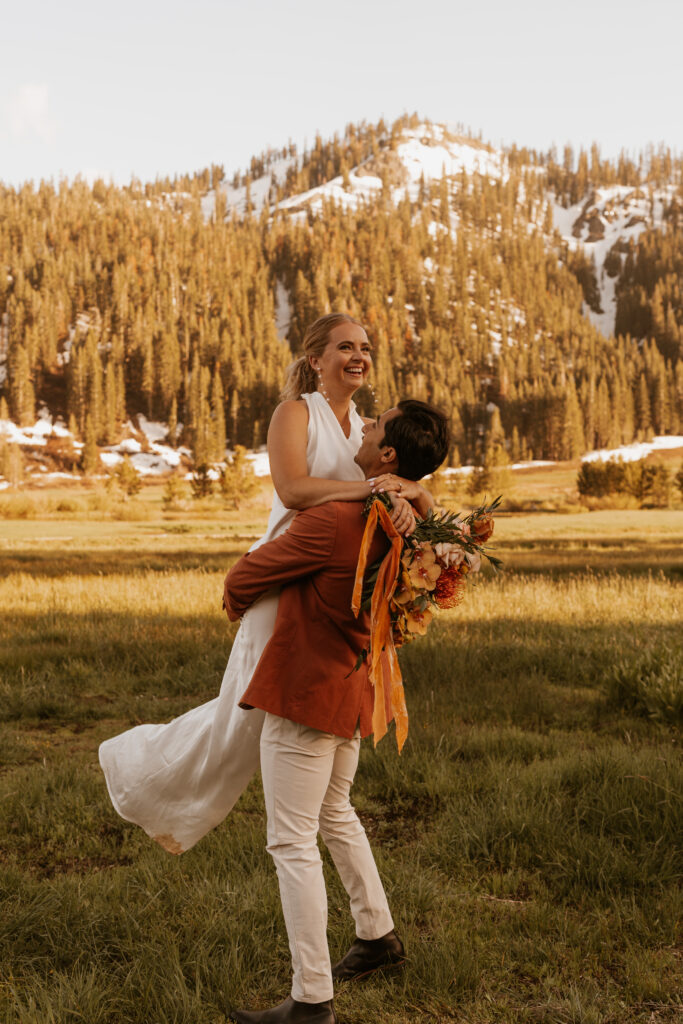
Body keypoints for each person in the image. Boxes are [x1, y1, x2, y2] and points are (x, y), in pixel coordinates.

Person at [99, 313, 434, 855]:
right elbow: (295, 490)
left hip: (329, 595)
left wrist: (415, 496)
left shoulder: (370, 430)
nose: (358, 356)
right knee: (237, 725)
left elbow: (412, 490)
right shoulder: (296, 414)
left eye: (365, 348)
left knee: (256, 721)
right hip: (280, 577)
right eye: (344, 346)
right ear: (315, 359)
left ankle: (308, 811)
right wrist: (374, 488)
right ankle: (140, 774)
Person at [223, 400, 450, 1024]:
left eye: (376, 426)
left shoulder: (334, 522)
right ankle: (377, 935)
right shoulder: (411, 527)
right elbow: (453, 537)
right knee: (333, 810)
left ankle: (311, 997)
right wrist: (420, 497)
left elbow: (244, 578)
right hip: (355, 690)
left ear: (387, 457)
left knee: (290, 840)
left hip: (307, 692)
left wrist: (253, 599)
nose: (366, 424)